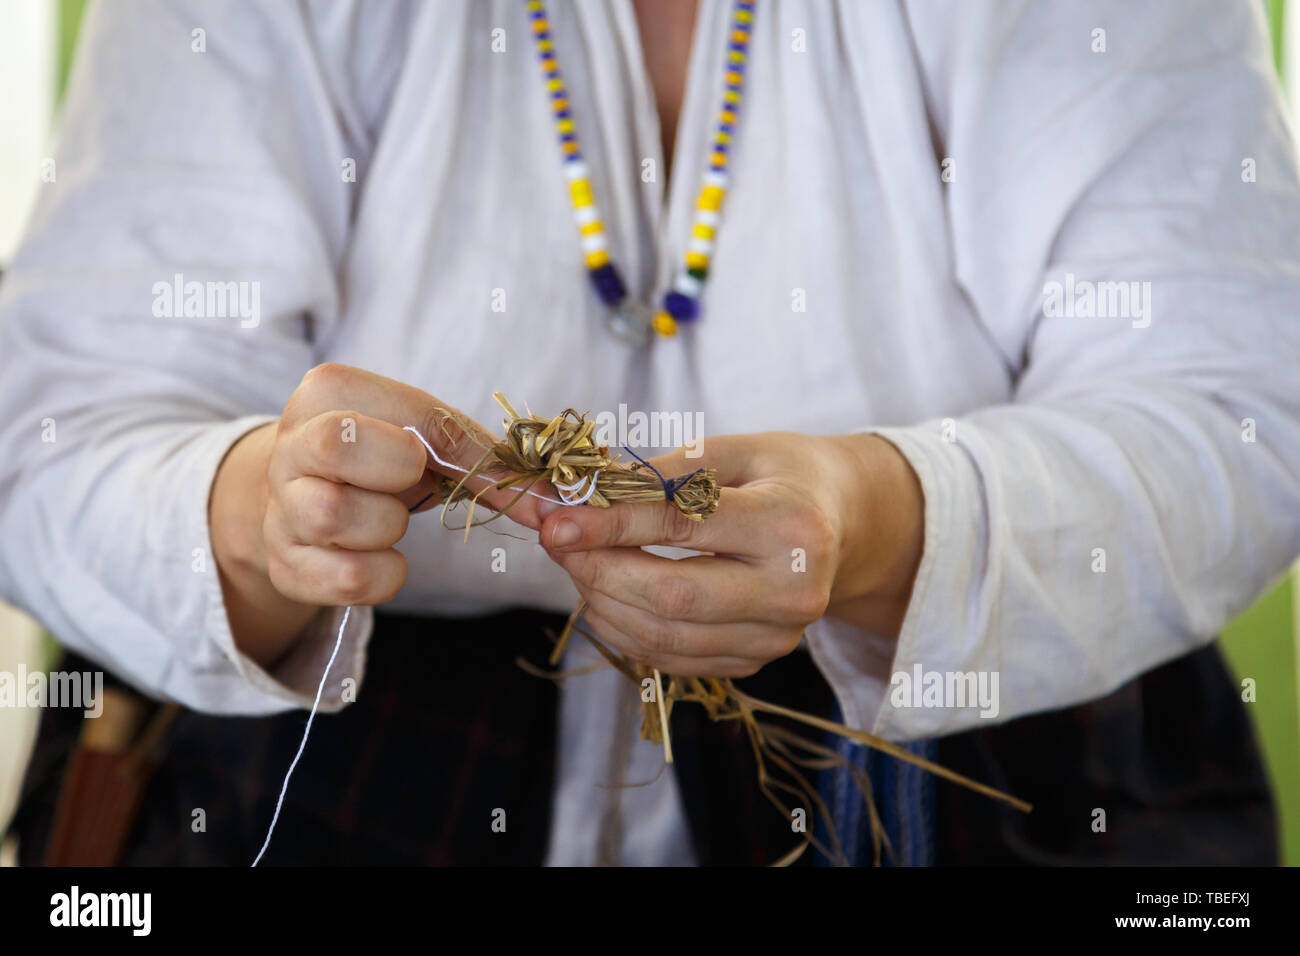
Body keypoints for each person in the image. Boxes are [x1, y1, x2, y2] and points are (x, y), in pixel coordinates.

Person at [2, 0, 1297, 866]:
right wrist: (254, 522)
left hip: (979, 777)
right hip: (345, 783)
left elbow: (1242, 415)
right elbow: (49, 439)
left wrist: (883, 519)